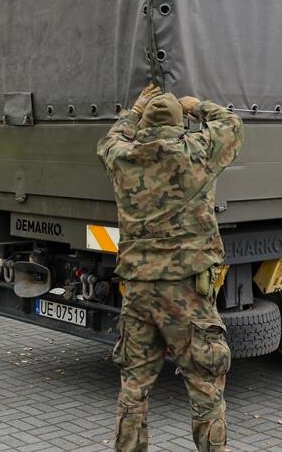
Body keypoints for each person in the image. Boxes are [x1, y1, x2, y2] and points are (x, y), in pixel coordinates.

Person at [97, 84, 245, 452]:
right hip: (188, 294)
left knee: (134, 388)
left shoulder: (122, 158)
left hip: (139, 291)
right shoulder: (197, 154)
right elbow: (232, 124)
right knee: (206, 387)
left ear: (143, 125)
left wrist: (134, 109)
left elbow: (110, 139)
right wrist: (195, 106)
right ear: (180, 126)